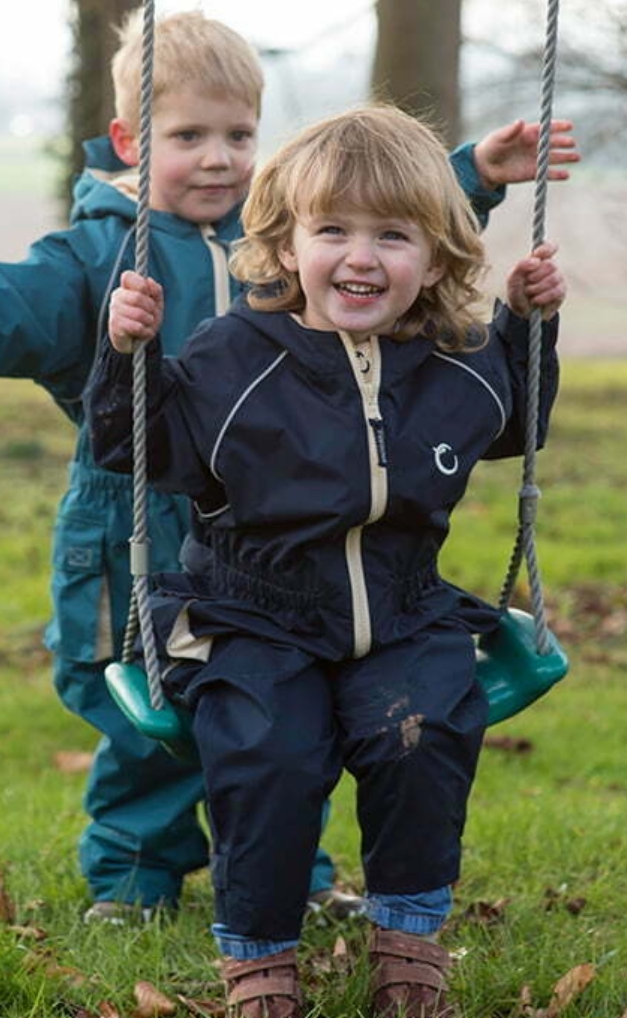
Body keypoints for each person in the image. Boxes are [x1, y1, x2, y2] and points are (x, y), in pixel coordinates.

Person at [0, 9, 578, 926]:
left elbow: (371, 221)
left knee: (293, 711)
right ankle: (135, 877)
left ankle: (292, 875)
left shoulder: (278, 243)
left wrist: (474, 175)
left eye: (239, 135)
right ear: (133, 142)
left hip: (280, 527)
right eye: (189, 136)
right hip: (138, 514)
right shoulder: (106, 250)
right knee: (156, 725)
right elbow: (20, 299)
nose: (219, 158)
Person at [85, 103, 564, 1018]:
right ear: (285, 242)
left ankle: (408, 943)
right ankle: (260, 963)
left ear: (435, 254)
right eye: (332, 231)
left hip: (406, 609)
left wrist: (522, 326)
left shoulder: (453, 361)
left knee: (423, 733)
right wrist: (126, 354)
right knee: (269, 752)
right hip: (253, 613)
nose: (360, 257)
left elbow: (512, 425)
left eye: (393, 235)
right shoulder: (234, 359)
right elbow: (138, 443)